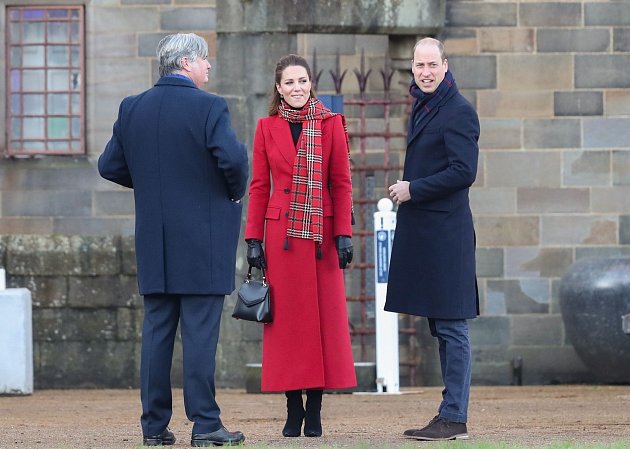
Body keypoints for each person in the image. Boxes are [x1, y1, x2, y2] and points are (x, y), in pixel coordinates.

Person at [98, 33, 248, 447]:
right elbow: (234, 161)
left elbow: (109, 165)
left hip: (155, 240)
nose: (209, 67)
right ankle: (205, 425)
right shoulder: (210, 106)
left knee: (157, 333)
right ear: (186, 62)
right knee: (200, 334)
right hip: (203, 237)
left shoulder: (132, 108)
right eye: (204, 61)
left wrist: (149, 183)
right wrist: (231, 194)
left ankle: (153, 428)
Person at [244, 54, 357, 438]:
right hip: (282, 237)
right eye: (289, 82)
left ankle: (316, 408)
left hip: (321, 237)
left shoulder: (330, 125)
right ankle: (293, 407)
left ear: (311, 84)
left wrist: (344, 233)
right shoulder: (265, 128)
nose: (297, 88)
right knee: (288, 326)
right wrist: (253, 239)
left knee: (322, 323)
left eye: (303, 81)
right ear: (278, 88)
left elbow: (341, 183)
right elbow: (259, 187)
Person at [385, 37, 480, 441]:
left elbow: (463, 172)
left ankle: (454, 416)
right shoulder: (424, 106)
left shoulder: (458, 111)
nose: (425, 72)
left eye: (432, 65)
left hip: (447, 235)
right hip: (429, 233)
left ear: (445, 65)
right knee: (441, 327)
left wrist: (413, 189)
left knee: (453, 327)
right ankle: (449, 413)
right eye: (419, 65)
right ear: (413, 67)